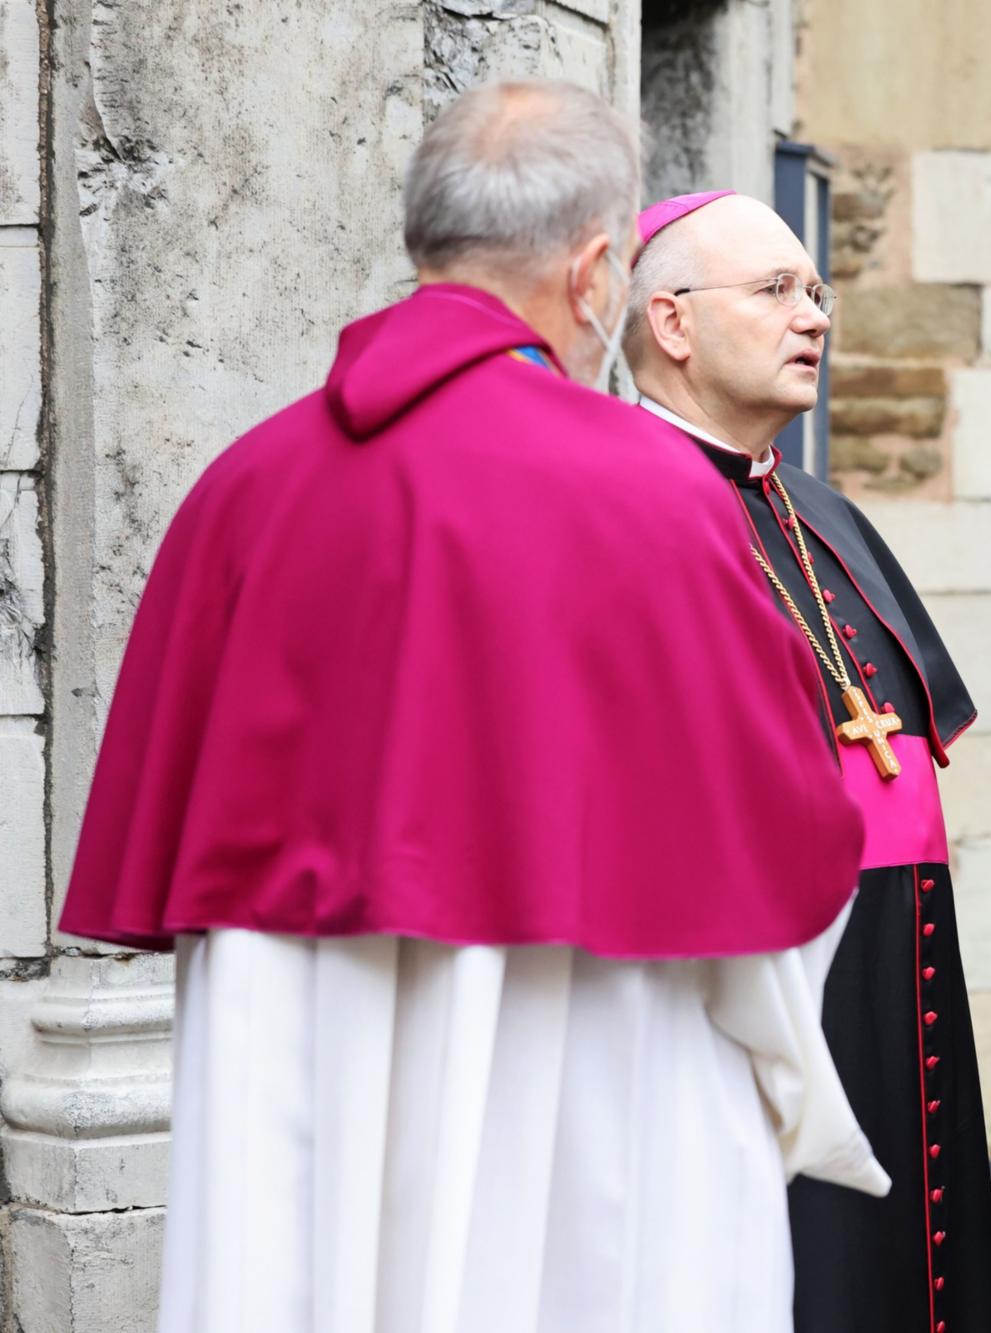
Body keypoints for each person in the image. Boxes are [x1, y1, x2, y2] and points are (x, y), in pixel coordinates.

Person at [58, 81, 882, 1333]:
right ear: (597, 270)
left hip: (298, 1050)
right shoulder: (646, 493)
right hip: (582, 1049)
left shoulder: (245, 485)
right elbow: (788, 831)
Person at [622, 189, 991, 1333]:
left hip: (900, 955)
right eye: (776, 290)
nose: (815, 317)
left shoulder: (823, 510)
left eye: (819, 292)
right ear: (672, 322)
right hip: (749, 979)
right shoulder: (625, 509)